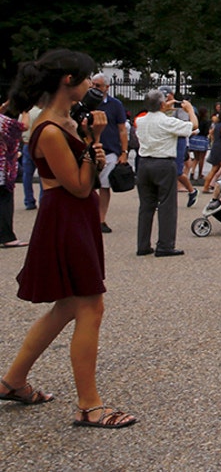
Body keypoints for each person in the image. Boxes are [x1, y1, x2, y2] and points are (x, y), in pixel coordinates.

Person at [1, 49, 137, 428]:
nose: (91, 84)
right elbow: (78, 186)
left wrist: (88, 141)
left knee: (66, 307)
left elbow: (83, 180)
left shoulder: (61, 121)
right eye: (86, 78)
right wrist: (93, 138)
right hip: (66, 215)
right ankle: (89, 405)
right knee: (90, 306)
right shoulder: (49, 128)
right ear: (67, 81)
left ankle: (13, 381)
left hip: (70, 215)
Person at [132, 89, 198, 257]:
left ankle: (143, 244)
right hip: (163, 162)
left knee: (146, 206)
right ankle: (165, 245)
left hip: (144, 163)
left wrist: (162, 107)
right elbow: (194, 126)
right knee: (167, 205)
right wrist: (189, 110)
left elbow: (154, 115)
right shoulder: (167, 121)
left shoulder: (141, 121)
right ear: (162, 104)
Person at [90, 74, 127, 234]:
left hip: (110, 149)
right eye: (93, 85)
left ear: (106, 87)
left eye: (98, 86)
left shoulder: (115, 105)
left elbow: (122, 129)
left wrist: (124, 152)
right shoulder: (86, 102)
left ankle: (101, 219)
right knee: (87, 184)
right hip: (89, 147)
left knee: (105, 185)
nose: (94, 88)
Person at [0, 106, 27, 248]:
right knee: (5, 202)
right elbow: (23, 127)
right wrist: (25, 112)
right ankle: (6, 236)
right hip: (2, 169)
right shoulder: (3, 121)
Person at [201, 109, 221, 194]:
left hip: (216, 147)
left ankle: (206, 187)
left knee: (214, 169)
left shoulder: (217, 125)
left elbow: (211, 134)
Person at [185, 106, 209, 184]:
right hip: (202, 140)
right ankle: (200, 174)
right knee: (201, 158)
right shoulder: (206, 121)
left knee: (196, 158)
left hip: (194, 139)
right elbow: (206, 132)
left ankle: (192, 172)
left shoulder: (196, 120)